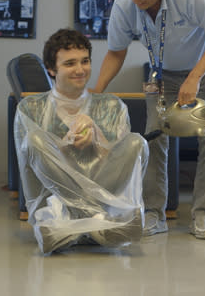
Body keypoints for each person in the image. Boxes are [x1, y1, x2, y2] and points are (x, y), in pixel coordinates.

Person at [92, 0, 205, 239]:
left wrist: (195, 77)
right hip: (160, 74)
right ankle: (154, 213)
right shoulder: (124, 3)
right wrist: (96, 92)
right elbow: (116, 52)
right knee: (153, 138)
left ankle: (203, 214)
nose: (138, 2)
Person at [14, 28, 149, 253]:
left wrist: (97, 140)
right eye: (69, 64)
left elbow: (118, 162)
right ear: (51, 69)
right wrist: (64, 146)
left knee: (137, 142)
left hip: (102, 188)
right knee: (34, 139)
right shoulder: (30, 108)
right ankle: (94, 223)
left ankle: (72, 228)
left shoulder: (111, 106)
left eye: (85, 61)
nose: (80, 70)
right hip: (56, 200)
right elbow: (30, 166)